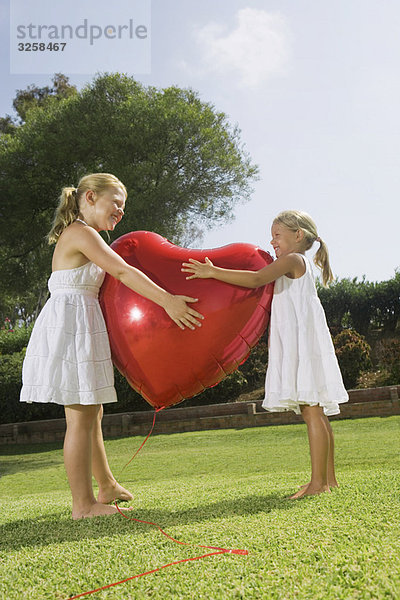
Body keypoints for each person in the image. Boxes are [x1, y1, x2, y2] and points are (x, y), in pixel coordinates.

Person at [21, 173, 203, 519]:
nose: (120, 212)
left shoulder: (86, 234)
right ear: (89, 197)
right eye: (116, 203)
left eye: (123, 207)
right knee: (79, 417)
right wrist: (167, 301)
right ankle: (83, 505)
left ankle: (105, 484)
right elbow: (120, 272)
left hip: (81, 322)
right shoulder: (81, 233)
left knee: (93, 410)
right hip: (69, 326)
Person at [182, 210, 348, 499]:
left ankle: (318, 482)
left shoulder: (293, 260)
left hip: (302, 345)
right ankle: (328, 480)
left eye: (277, 236)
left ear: (298, 236)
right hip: (304, 342)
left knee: (311, 412)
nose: (272, 242)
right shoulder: (298, 262)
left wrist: (212, 272)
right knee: (317, 412)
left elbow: (256, 279)